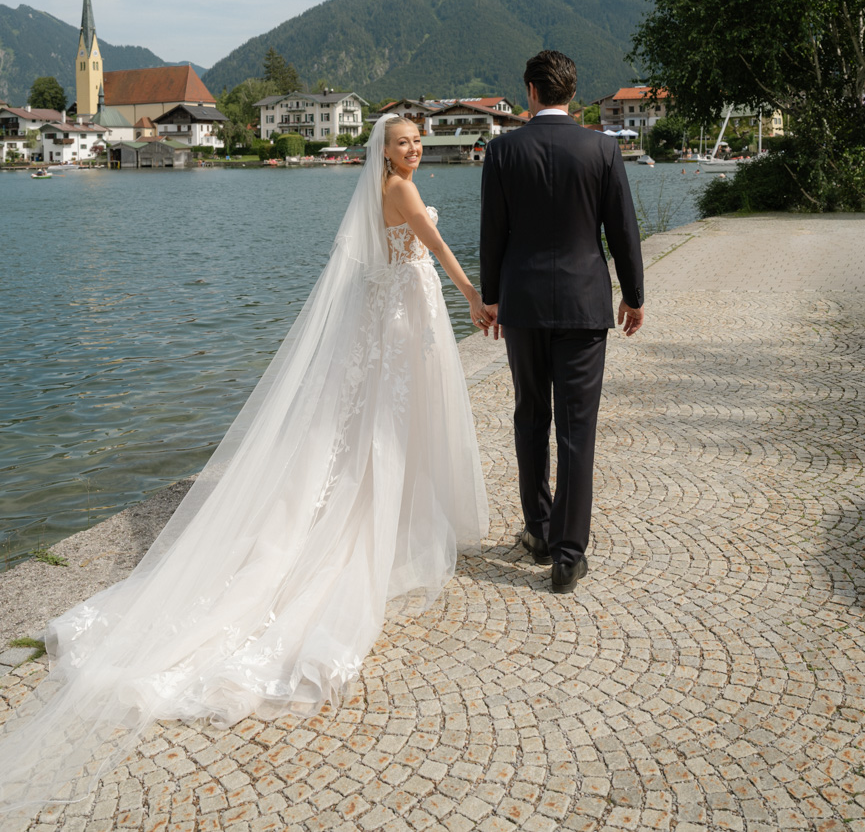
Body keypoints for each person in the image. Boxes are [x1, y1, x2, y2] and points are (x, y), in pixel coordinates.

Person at [0, 115, 488, 815]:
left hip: (389, 313)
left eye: (415, 141)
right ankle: (384, 521)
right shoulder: (403, 193)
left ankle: (391, 508)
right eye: (402, 142)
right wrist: (470, 294)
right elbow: (435, 247)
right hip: (404, 315)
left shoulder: (380, 190)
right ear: (382, 150)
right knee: (381, 425)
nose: (412, 149)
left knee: (367, 424)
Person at [480, 50, 644, 595]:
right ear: (572, 91)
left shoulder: (503, 150)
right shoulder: (602, 148)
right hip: (584, 304)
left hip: (523, 304)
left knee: (530, 415)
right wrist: (634, 295)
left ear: (530, 90)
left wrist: (492, 298)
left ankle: (539, 530)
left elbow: (492, 234)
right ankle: (570, 557)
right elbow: (623, 229)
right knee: (578, 427)